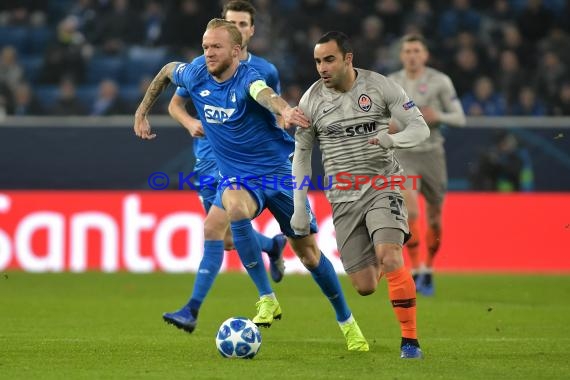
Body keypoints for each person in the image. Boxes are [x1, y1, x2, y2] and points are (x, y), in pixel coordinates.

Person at [134, 19, 369, 351]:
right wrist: (141, 113)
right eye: (205, 46)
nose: (208, 53)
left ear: (236, 51)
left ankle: (347, 322)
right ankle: (267, 297)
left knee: (310, 255)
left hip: (279, 174)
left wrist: (285, 110)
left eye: (216, 47)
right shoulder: (196, 73)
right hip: (238, 177)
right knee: (233, 206)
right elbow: (166, 72)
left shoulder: (248, 77)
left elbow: (266, 95)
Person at [291, 31, 429, 359]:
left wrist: (392, 141)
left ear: (348, 58)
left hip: (384, 185)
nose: (322, 67)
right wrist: (300, 207)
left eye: (329, 59)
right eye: (317, 61)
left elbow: (419, 127)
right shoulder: (310, 101)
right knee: (365, 286)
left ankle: (410, 342)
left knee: (391, 255)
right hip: (343, 198)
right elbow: (301, 157)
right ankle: (385, 257)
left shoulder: (379, 87)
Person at [162, 0, 287, 335]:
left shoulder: (263, 71)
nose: (239, 29)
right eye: (232, 23)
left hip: (239, 164)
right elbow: (176, 103)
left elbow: (271, 113)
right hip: (206, 157)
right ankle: (272, 247)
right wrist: (189, 122)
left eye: (244, 24)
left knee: (216, 230)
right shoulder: (203, 66)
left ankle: (195, 309)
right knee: (228, 238)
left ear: (249, 31)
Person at [388, 34, 466, 296]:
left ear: (425, 55)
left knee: (434, 216)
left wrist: (439, 115)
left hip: (433, 154)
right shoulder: (392, 83)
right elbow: (378, 116)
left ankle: (429, 269)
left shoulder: (440, 81)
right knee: (410, 212)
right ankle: (417, 267)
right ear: (401, 55)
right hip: (404, 154)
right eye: (407, 51)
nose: (412, 55)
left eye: (416, 50)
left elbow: (460, 118)